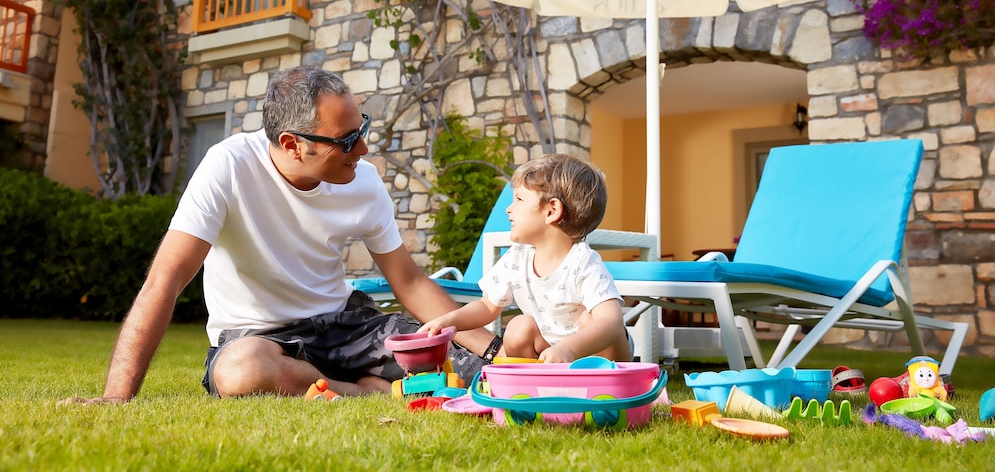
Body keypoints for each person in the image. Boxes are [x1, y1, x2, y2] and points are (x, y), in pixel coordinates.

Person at [61, 66, 496, 404]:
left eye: (362, 128)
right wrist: (116, 397)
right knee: (240, 372)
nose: (363, 150)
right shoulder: (228, 167)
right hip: (259, 339)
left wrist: (491, 350)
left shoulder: (362, 181)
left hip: (345, 326)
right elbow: (165, 280)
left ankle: (344, 380)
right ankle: (362, 390)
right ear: (292, 144)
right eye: (347, 140)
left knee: (468, 372)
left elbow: (410, 282)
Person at [420, 154, 630, 363]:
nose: (509, 209)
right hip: (553, 353)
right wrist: (450, 320)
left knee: (589, 320)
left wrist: (569, 349)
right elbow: (487, 306)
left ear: (551, 210)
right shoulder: (518, 256)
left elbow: (611, 322)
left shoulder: (583, 261)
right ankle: (536, 379)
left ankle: (599, 379)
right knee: (518, 328)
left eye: (519, 199)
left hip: (602, 358)